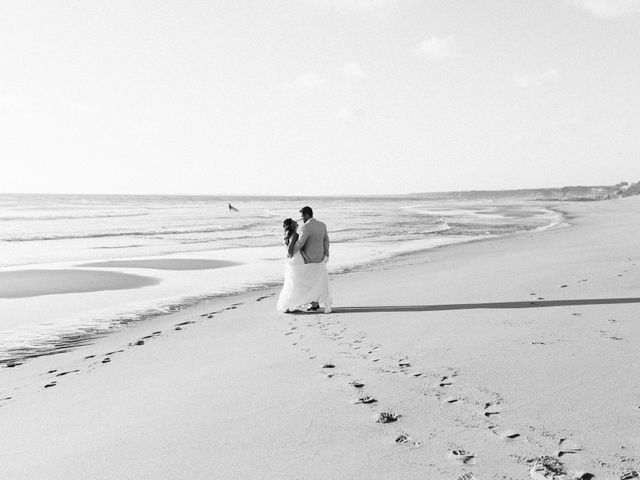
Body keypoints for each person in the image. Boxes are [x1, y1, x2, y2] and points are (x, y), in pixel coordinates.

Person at [276, 213, 332, 313]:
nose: (298, 222)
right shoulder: (296, 234)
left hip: (292, 261)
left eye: (301, 217)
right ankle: (311, 301)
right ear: (292, 225)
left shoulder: (288, 235)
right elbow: (291, 251)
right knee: (301, 282)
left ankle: (293, 303)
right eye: (295, 222)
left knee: (295, 282)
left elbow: (291, 249)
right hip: (297, 260)